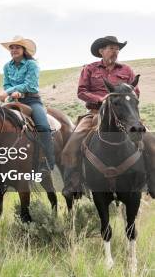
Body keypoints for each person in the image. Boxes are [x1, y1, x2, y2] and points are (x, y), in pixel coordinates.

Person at [62, 36, 155, 198]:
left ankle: (152, 181)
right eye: (111, 48)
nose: (115, 51)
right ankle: (74, 184)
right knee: (71, 146)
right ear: (101, 51)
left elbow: (135, 93)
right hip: (95, 114)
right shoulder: (89, 69)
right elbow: (82, 92)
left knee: (151, 143)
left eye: (117, 48)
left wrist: (129, 101)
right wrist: (101, 99)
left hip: (125, 115)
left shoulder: (126, 70)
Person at [0, 35, 55, 172]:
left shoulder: (32, 64)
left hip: (31, 100)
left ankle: (47, 160)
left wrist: (14, 91)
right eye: (12, 48)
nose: (14, 50)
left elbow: (30, 84)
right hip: (13, 101)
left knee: (43, 126)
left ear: (24, 49)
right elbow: (6, 84)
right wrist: (12, 93)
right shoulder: (7, 66)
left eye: (17, 47)